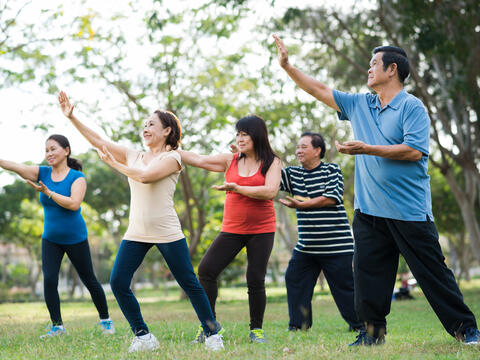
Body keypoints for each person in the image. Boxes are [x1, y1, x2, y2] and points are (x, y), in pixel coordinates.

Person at [273, 34, 480, 346]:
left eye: (374, 65)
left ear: (392, 69)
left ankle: (467, 330)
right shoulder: (360, 104)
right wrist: (288, 66)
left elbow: (413, 150)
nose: (369, 70)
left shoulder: (412, 107)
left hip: (409, 211)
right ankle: (372, 335)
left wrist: (367, 148)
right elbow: (320, 90)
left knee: (433, 274)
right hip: (369, 212)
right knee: (368, 276)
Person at [58, 91, 224, 352]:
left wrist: (114, 164)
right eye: (145, 124)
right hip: (136, 231)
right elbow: (98, 140)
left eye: (152, 125)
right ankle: (144, 336)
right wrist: (72, 118)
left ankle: (213, 334)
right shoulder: (132, 154)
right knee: (118, 282)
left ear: (167, 130)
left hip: (167, 231)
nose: (145, 128)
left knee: (189, 283)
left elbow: (146, 177)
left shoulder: (173, 158)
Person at [178, 115, 282, 343]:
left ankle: (256, 330)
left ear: (257, 135)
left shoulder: (272, 162)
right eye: (238, 134)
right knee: (206, 270)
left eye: (245, 134)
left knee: (255, 278)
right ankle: (209, 326)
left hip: (261, 229)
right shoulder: (231, 160)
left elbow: (270, 191)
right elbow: (198, 160)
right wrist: (171, 148)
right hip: (232, 229)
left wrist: (237, 187)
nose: (240, 138)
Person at [0, 134, 114, 338]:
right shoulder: (41, 172)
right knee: (50, 280)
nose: (49, 154)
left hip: (75, 238)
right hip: (50, 239)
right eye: (46, 150)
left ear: (66, 150)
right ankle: (57, 327)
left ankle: (106, 321)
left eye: (53, 149)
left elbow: (73, 204)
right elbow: (15, 166)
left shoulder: (77, 177)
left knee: (89, 280)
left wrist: (49, 192)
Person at [279, 131, 363, 333]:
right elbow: (269, 179)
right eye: (298, 147)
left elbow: (331, 197)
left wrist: (301, 205)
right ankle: (298, 326)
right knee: (294, 278)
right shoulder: (293, 174)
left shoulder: (331, 170)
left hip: (337, 246)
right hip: (307, 247)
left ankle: (360, 324)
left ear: (318, 150)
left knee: (345, 289)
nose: (299, 151)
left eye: (304, 147)